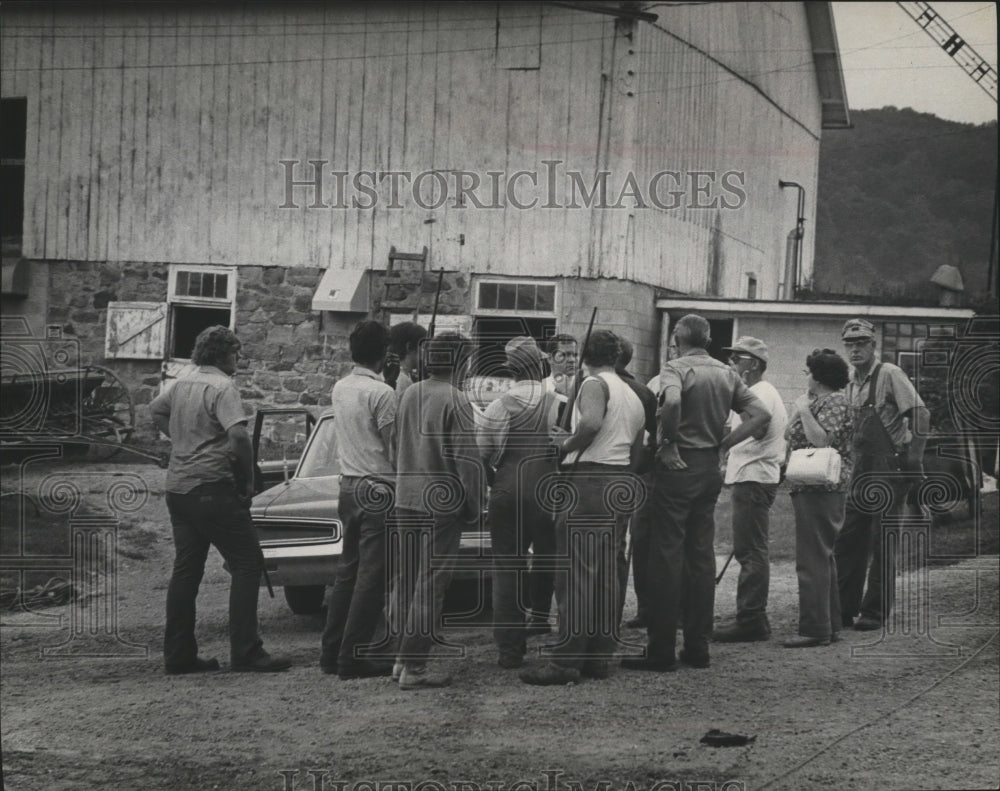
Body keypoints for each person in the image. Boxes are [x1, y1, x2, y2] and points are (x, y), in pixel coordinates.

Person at [622, 314, 769, 673]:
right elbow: (760, 414)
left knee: (666, 557)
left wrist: (669, 442)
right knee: (701, 557)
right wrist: (723, 445)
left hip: (677, 468)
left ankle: (660, 650)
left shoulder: (675, 368)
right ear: (707, 339)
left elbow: (671, 404)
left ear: (676, 337)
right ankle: (697, 646)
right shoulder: (727, 373)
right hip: (708, 470)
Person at [150, 325, 291, 674]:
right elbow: (239, 437)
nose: (239, 358)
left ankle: (178, 654)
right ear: (221, 353)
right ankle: (246, 651)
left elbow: (156, 411)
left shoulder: (181, 382)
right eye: (236, 352)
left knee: (186, 570)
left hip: (179, 488)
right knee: (247, 563)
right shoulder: (223, 387)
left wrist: (182, 441)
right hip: (212, 487)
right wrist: (248, 477)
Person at [521, 330, 645, 686]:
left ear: (586, 355)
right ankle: (598, 655)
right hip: (620, 480)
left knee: (576, 573)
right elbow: (638, 446)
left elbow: (590, 422)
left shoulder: (593, 384)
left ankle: (566, 659)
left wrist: (566, 445)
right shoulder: (631, 392)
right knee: (607, 574)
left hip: (590, 478)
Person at [393, 333, 483, 689]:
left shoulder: (410, 393)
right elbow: (469, 464)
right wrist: (475, 505)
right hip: (440, 504)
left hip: (405, 497)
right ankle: (414, 666)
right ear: (460, 362)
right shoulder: (457, 400)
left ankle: (401, 658)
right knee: (430, 586)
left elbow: (394, 445)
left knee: (406, 580)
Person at [835, 318, 929, 631]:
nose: (855, 349)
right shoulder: (851, 382)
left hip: (890, 469)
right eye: (850, 343)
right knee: (848, 539)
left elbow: (921, 414)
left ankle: (874, 612)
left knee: (882, 542)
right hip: (861, 470)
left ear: (874, 346)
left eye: (861, 343)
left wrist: (913, 460)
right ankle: (843, 608)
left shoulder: (889, 374)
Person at [319, 320, 397, 679]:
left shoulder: (341, 387)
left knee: (347, 572)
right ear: (384, 354)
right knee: (372, 576)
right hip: (377, 486)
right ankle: (354, 655)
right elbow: (393, 450)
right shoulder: (382, 393)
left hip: (348, 485)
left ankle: (332, 650)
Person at [476, 337, 560, 669]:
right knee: (548, 555)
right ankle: (540, 616)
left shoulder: (501, 405)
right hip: (547, 489)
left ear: (511, 370)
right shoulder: (560, 402)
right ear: (540, 365)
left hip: (508, 486)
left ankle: (510, 649)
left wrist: (493, 479)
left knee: (506, 567)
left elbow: (482, 452)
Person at [712, 337, 788, 643]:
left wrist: (723, 446)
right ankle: (751, 615)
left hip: (754, 478)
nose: (731, 364)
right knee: (750, 549)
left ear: (753, 364)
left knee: (751, 551)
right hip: (752, 477)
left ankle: (752, 618)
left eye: (736, 359)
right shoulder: (756, 392)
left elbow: (757, 427)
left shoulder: (759, 392)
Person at [784, 349, 854, 647]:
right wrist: (803, 408)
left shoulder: (835, 401)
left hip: (821, 489)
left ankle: (814, 628)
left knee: (812, 559)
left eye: (809, 371)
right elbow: (788, 434)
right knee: (823, 556)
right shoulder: (819, 401)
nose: (806, 376)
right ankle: (829, 624)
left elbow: (822, 440)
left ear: (820, 376)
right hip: (812, 487)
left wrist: (803, 410)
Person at [613, 337, 657, 629]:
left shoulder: (591, 385)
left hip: (600, 472)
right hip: (635, 472)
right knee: (624, 545)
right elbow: (655, 434)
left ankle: (600, 615)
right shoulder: (643, 391)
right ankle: (626, 610)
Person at [384, 321, 427, 401]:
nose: (426, 351)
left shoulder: (397, 375)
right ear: (409, 347)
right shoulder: (403, 381)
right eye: (423, 346)